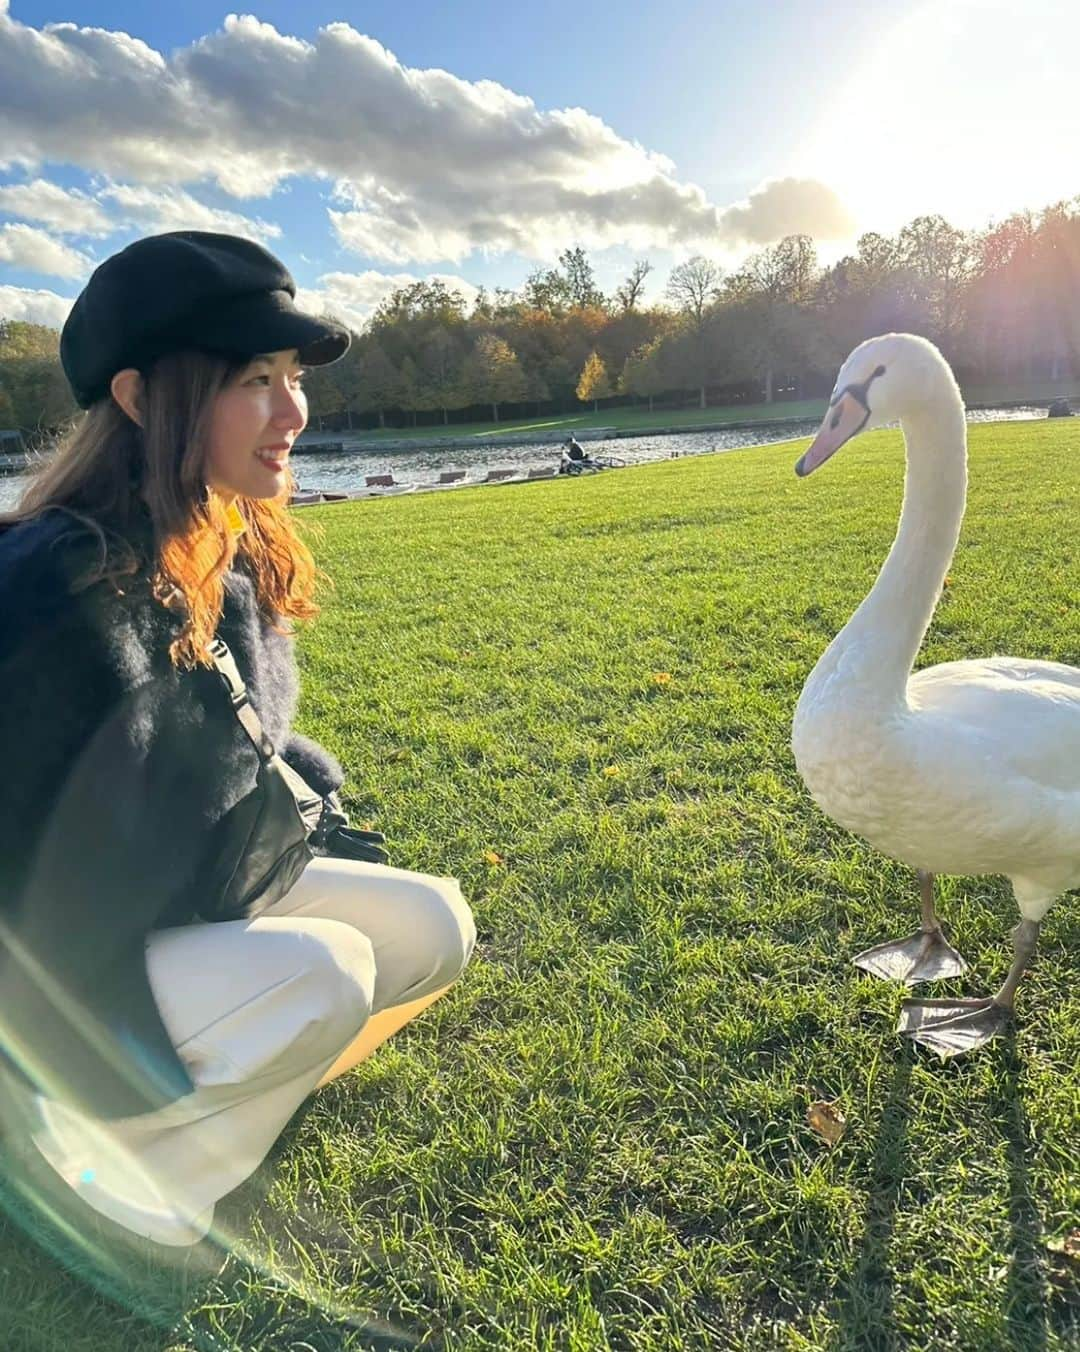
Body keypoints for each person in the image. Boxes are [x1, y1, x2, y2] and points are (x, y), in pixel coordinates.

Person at [0, 232, 475, 1273]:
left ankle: (215, 1100)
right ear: (139, 396)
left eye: (293, 377)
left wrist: (320, 820)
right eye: (255, 379)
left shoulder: (230, 540)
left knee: (435, 923)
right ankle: (108, 1182)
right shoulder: (46, 588)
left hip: (187, 895)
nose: (293, 412)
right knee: (325, 976)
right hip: (58, 968)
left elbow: (245, 749)